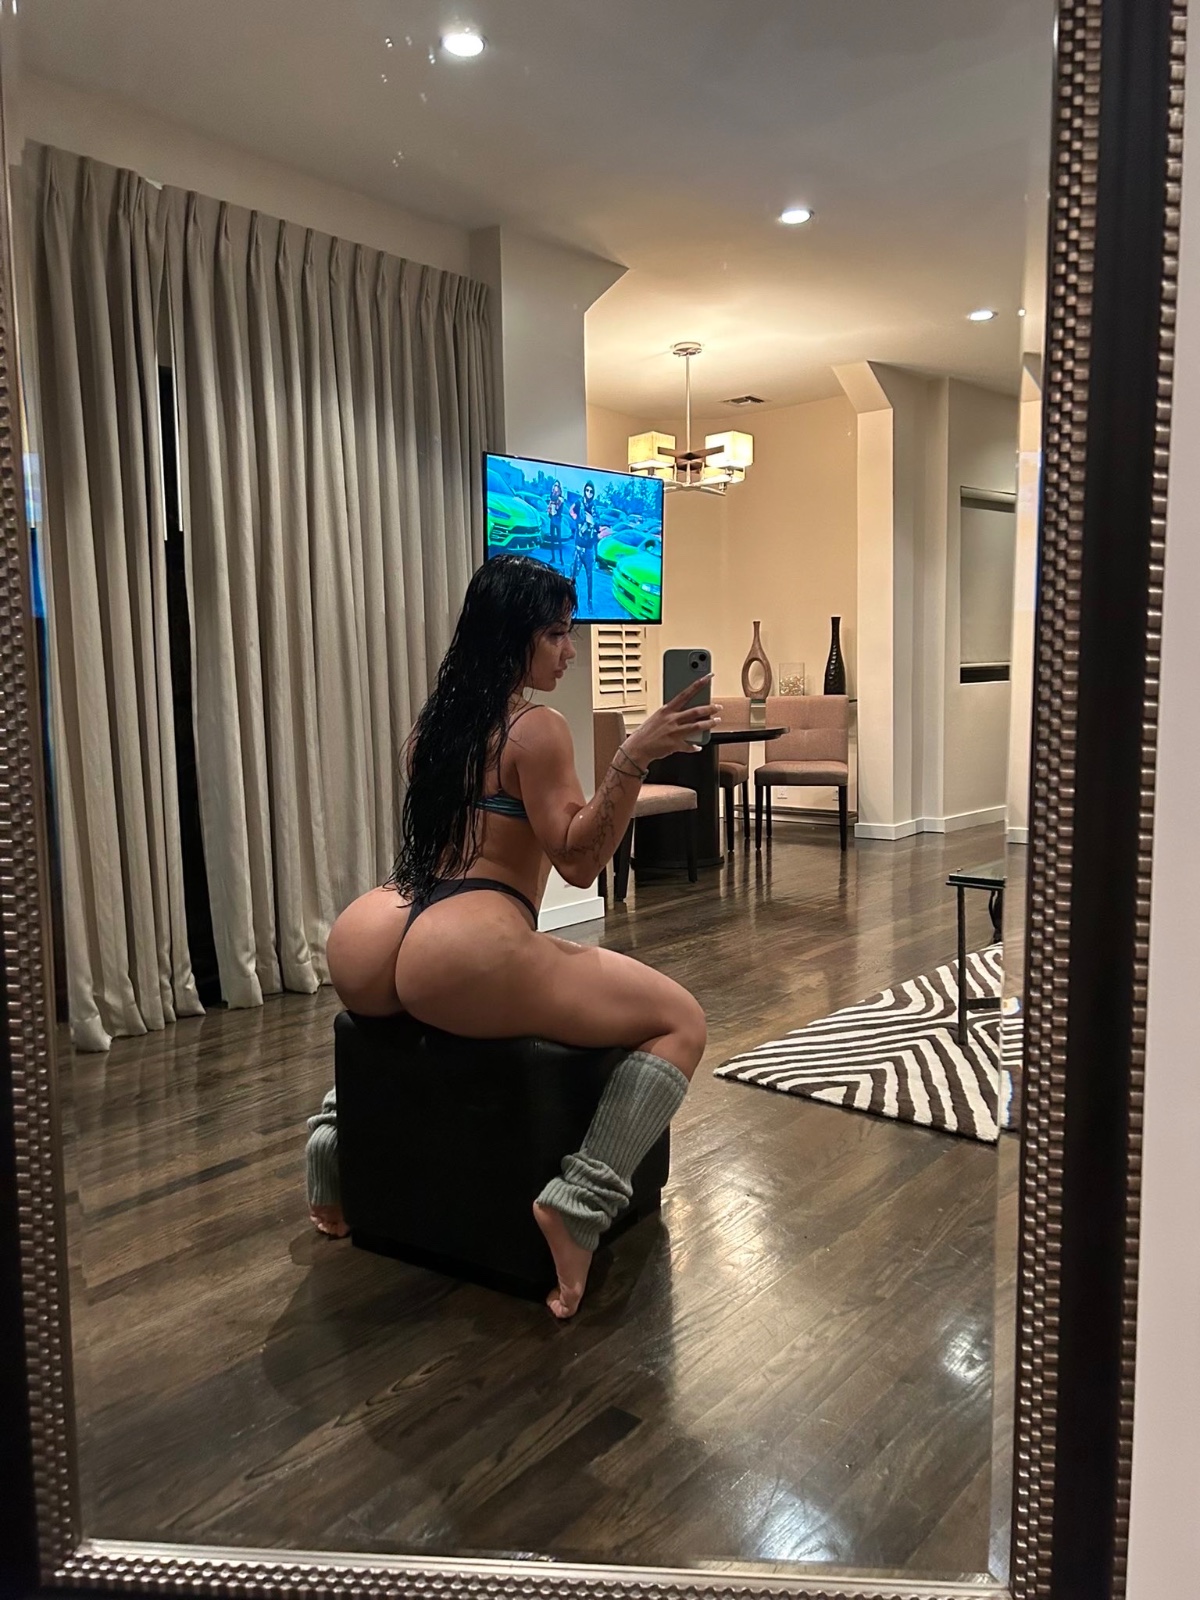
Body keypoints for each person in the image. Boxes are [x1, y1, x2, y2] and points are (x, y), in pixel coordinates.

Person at [306, 554, 718, 1318]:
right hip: (468, 942)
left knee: (391, 1020)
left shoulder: (432, 725)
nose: (570, 651)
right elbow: (580, 861)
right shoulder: (536, 729)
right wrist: (633, 757)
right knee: (681, 1022)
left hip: (376, 929)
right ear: (512, 638)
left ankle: (335, 1149)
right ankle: (579, 1205)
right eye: (557, 634)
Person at [568, 479, 602, 607]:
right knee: (573, 575)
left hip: (588, 549)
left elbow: (598, 524)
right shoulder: (579, 502)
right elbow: (571, 510)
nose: (589, 493)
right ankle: (569, 600)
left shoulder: (594, 507)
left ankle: (589, 602)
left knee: (589, 576)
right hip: (578, 547)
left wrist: (593, 522)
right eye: (587, 490)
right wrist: (577, 520)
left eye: (591, 491)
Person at [545, 479, 565, 567]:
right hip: (552, 520)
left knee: (559, 540)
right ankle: (553, 558)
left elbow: (557, 509)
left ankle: (561, 559)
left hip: (557, 520)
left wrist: (553, 504)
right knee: (552, 540)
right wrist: (549, 511)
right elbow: (549, 510)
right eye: (554, 486)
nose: (555, 487)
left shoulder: (560, 499)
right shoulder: (552, 497)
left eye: (557, 486)